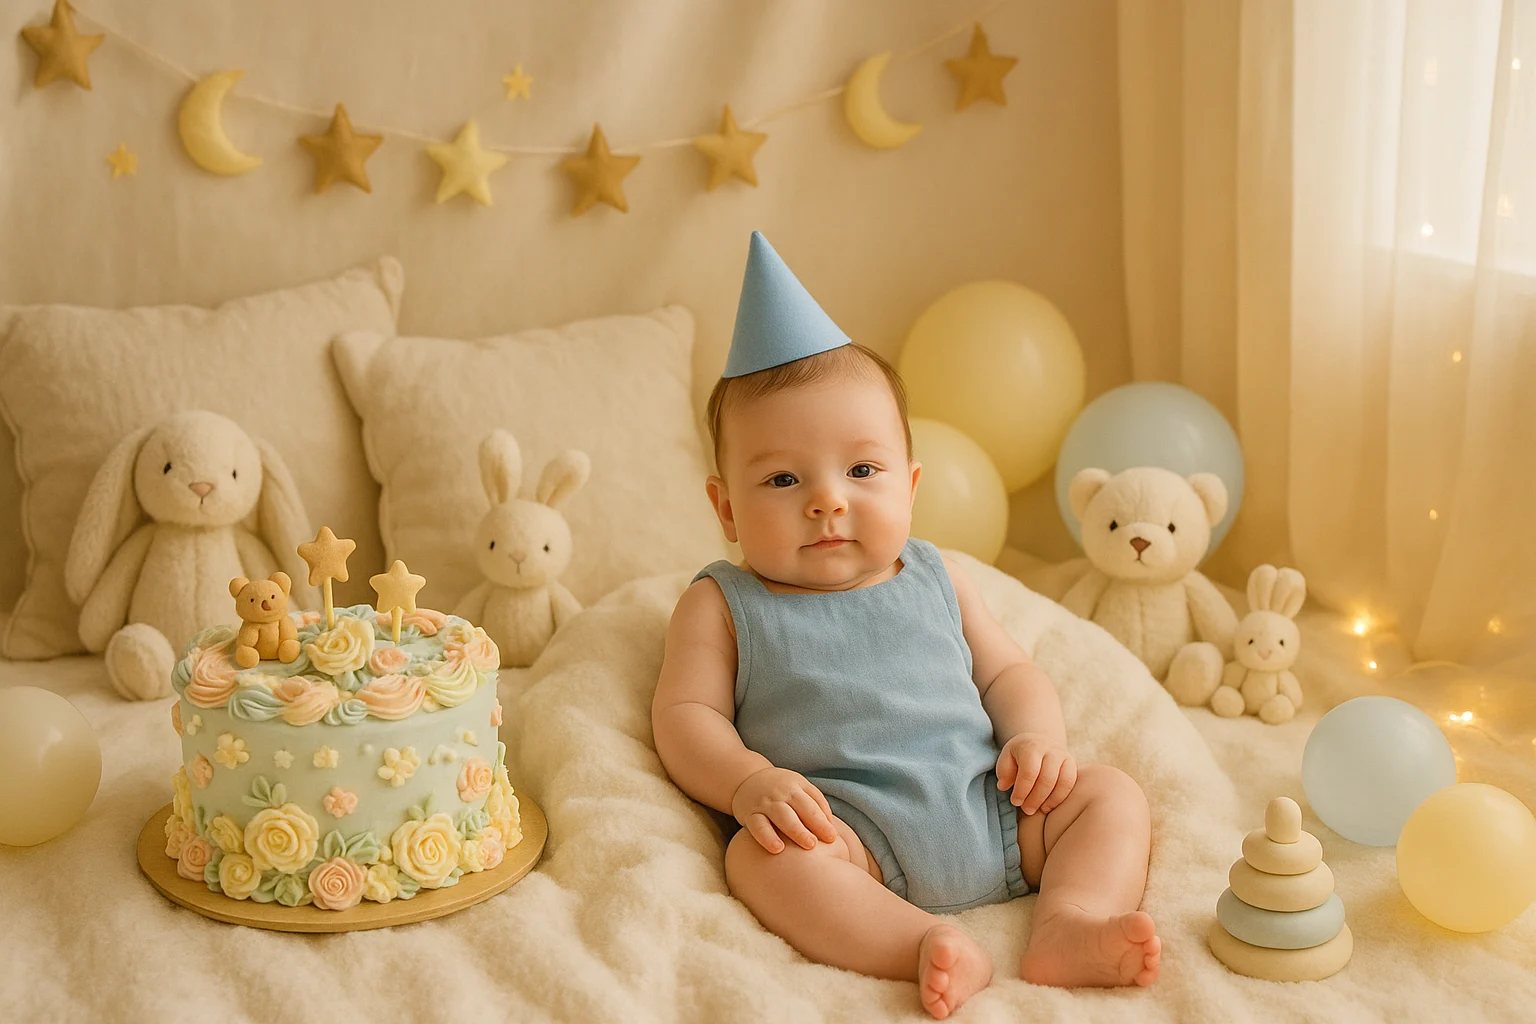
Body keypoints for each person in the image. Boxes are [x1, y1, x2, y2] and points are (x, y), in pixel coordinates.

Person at [652, 233, 1159, 1020]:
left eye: (862, 470)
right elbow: (685, 717)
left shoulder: (938, 574)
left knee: (1112, 796)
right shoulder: (722, 604)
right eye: (783, 478)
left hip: (994, 804)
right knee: (760, 860)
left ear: (910, 486)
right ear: (724, 508)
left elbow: (1008, 673)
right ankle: (917, 941)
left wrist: (1037, 741)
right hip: (851, 835)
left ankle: (1068, 922)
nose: (827, 500)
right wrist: (746, 780)